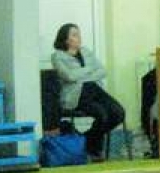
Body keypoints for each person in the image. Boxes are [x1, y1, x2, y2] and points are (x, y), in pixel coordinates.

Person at [51, 23, 125, 161]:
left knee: (118, 113)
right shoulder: (57, 56)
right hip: (76, 96)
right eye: (74, 35)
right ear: (66, 39)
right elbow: (69, 76)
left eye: (79, 34)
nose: (79, 37)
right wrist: (89, 70)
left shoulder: (86, 51)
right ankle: (94, 150)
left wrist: (82, 76)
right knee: (102, 116)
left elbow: (102, 71)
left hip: (94, 89)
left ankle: (87, 139)